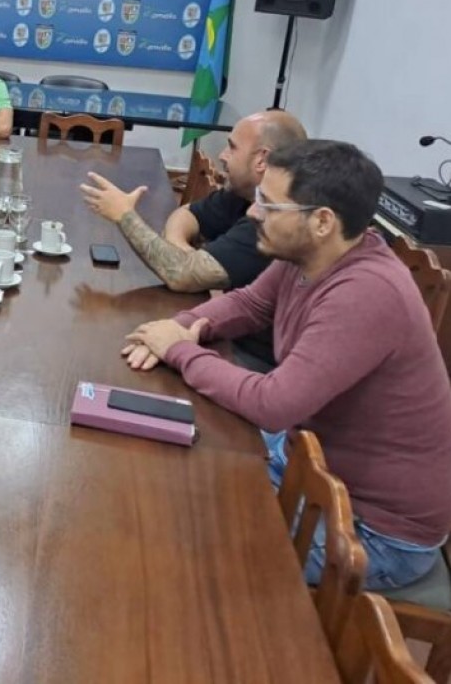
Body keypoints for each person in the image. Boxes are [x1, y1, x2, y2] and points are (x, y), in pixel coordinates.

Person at [122, 140, 451, 590]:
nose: (254, 213)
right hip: (309, 460)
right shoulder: (313, 256)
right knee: (169, 481)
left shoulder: (366, 294)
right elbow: (250, 304)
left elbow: (275, 403)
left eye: (269, 205)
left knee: (187, 542)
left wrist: (179, 350)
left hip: (374, 529)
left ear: (321, 222)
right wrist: (180, 326)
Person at [80, 110, 306, 294]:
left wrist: (125, 215)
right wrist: (180, 247)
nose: (222, 155)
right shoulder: (243, 194)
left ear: (262, 159)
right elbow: (188, 213)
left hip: (243, 347)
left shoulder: (271, 221)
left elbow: (181, 276)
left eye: (232, 147)